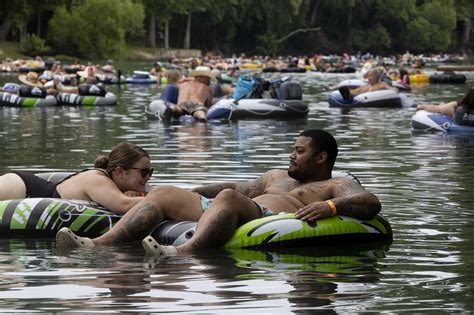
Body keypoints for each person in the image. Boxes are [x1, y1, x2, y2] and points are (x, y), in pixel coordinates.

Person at [55, 129, 381, 254]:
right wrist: (190, 191)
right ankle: (93, 245)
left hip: (269, 217)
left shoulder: (335, 185)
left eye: (298, 151)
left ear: (321, 157)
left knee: (227, 200)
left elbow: (370, 202)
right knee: (169, 192)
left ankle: (183, 253)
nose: (291, 154)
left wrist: (331, 208)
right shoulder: (275, 175)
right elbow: (234, 187)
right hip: (237, 206)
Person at [0, 142, 152, 215]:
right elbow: (123, 205)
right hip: (23, 189)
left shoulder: (109, 182)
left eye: (150, 171)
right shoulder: (98, 180)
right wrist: (161, 197)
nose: (148, 178)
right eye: (144, 172)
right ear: (120, 172)